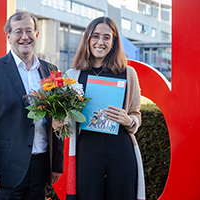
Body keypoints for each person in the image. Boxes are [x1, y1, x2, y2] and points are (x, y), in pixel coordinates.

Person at [0, 11, 64, 200]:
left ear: (37, 34)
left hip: (40, 169)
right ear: (8, 36)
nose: (24, 37)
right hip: (5, 171)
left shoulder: (51, 71)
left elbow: (58, 117)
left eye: (29, 31)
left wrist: (56, 164)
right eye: (18, 32)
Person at [65, 16, 145, 200]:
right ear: (87, 39)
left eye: (107, 37)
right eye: (95, 36)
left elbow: (136, 115)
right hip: (87, 151)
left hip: (121, 150)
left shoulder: (128, 73)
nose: (100, 42)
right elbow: (64, 121)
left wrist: (129, 120)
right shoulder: (73, 75)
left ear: (114, 42)